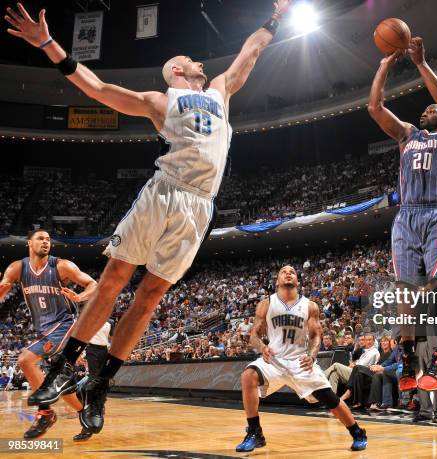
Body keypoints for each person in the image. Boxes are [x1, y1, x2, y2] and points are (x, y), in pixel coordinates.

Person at [5, 0, 293, 434]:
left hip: (200, 205)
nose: (199, 61)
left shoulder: (220, 91)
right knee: (115, 280)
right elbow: (97, 89)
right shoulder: (161, 99)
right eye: (189, 60)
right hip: (165, 193)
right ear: (176, 70)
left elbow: (251, 52)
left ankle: (99, 386)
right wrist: (48, 43)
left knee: (151, 296)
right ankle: (62, 368)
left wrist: (275, 16)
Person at [368, 36, 437, 392]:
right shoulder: (407, 135)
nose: (427, 109)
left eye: (432, 109)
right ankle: (408, 356)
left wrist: (421, 63)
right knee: (404, 294)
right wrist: (384, 66)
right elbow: (375, 108)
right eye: (424, 108)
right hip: (407, 217)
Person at [237, 266, 367, 452]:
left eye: (292, 272)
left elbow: (316, 336)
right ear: (277, 281)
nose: (288, 273)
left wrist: (312, 355)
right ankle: (254, 431)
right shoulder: (266, 304)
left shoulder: (309, 306)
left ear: (297, 281)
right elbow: (254, 335)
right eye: (284, 271)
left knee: (330, 400)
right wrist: (262, 347)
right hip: (274, 360)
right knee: (248, 375)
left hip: (300, 361)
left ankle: (357, 432)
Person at [0, 229, 97, 439]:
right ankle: (86, 413)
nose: (45, 242)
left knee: (25, 360)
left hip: (65, 323)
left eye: (48, 239)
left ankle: (45, 413)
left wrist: (79, 297)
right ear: (29, 243)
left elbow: (93, 284)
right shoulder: (18, 268)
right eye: (40, 238)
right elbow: (2, 289)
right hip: (43, 329)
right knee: (56, 383)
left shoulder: (61, 266)